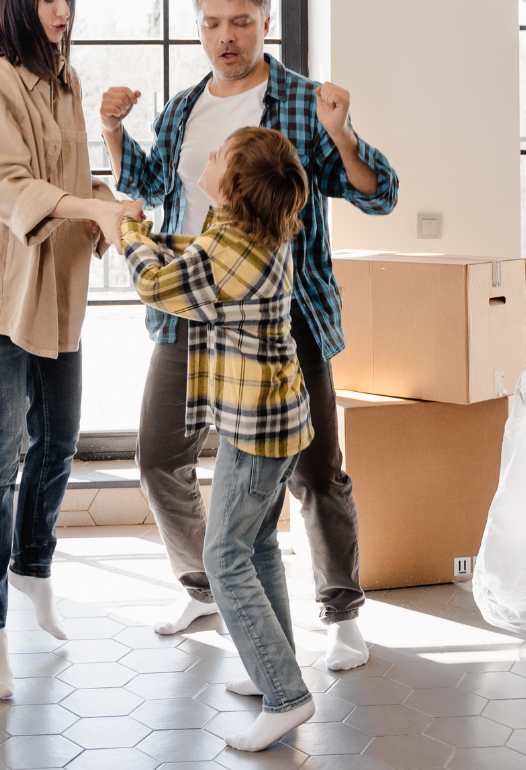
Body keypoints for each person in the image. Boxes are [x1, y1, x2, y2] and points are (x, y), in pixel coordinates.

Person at [101, 0, 399, 671]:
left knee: (317, 469)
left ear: (266, 22)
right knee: (158, 456)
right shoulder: (181, 108)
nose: (225, 37)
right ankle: (207, 584)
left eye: (240, 21)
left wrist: (343, 135)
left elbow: (378, 193)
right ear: (198, 27)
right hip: (196, 312)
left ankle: (340, 609)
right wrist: (112, 128)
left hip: (284, 317)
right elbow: (147, 184)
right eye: (211, 23)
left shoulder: (303, 102)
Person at [0, 0, 142, 700]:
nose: (64, 12)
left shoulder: (65, 81)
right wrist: (89, 206)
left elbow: (62, 181)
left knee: (58, 441)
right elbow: (5, 185)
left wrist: (108, 199)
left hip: (55, 292)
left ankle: (32, 569)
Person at [118, 126, 317, 750]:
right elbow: (195, 250)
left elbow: (160, 285)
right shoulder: (250, 232)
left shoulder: (231, 254)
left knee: (222, 558)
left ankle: (287, 696)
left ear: (231, 189)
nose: (205, 159)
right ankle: (272, 675)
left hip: (257, 431)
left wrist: (126, 236)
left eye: (217, 158)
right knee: (256, 546)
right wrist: (149, 234)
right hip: (272, 420)